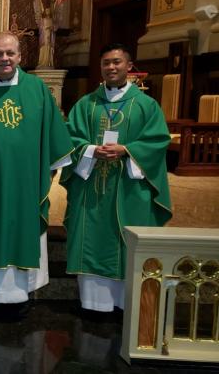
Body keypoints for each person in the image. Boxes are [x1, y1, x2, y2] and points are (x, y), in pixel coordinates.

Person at [0, 32, 73, 312]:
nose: (5, 58)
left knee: (22, 230)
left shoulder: (37, 90)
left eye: (10, 53)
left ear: (20, 56)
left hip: (25, 184)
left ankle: (20, 296)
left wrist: (49, 171)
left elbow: (53, 135)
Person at [61, 43, 172, 313]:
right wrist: (90, 150)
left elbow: (158, 141)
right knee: (92, 238)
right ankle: (94, 303)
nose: (111, 67)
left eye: (117, 62)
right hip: (92, 186)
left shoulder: (146, 105)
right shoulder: (86, 104)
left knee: (127, 238)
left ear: (129, 66)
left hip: (130, 188)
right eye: (106, 63)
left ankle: (126, 303)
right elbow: (69, 138)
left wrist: (127, 150)